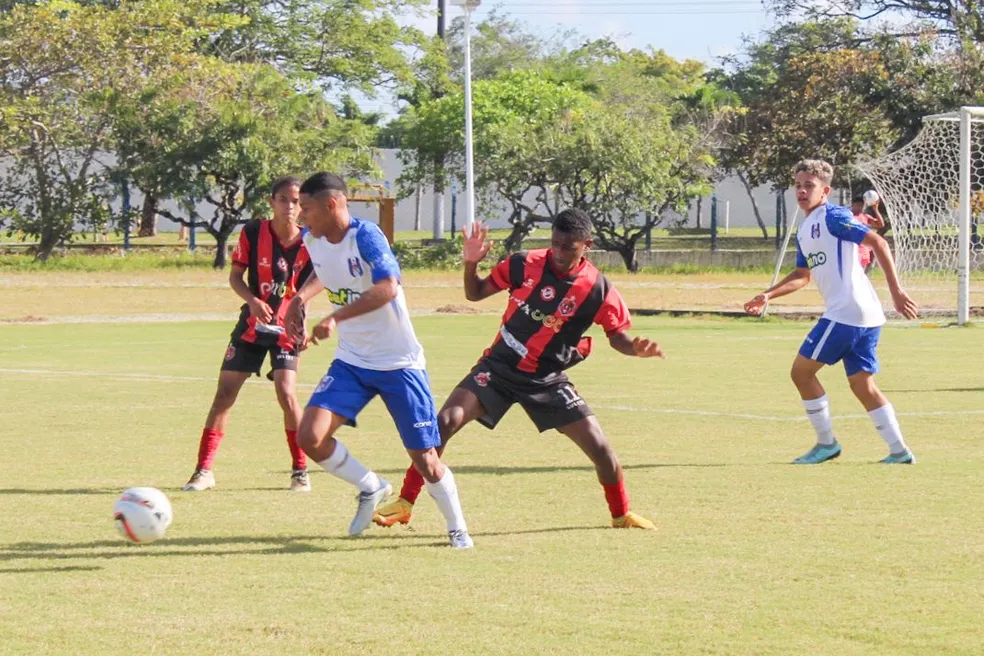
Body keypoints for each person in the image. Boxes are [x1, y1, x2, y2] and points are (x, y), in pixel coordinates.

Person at [374, 209, 663, 532]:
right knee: (444, 421)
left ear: (587, 245)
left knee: (601, 448)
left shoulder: (598, 289)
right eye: (555, 243)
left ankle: (621, 515)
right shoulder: (523, 263)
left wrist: (634, 349)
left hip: (547, 379)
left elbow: (618, 337)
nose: (559, 252)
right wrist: (470, 262)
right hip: (497, 369)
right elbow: (475, 293)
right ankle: (405, 502)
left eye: (569, 247)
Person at [284, 172, 473, 547]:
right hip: (352, 362)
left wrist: (335, 317)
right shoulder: (313, 239)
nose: (299, 217)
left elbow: (388, 287)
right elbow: (325, 274)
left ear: (331, 205)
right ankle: (371, 486)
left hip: (399, 363)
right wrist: (300, 299)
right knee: (310, 436)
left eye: (305, 208)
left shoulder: (366, 236)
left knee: (426, 459)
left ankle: (457, 529)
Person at [744, 160, 919, 465]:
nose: (801, 190)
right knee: (863, 385)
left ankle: (827, 445)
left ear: (824, 191)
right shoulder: (805, 229)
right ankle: (899, 451)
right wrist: (768, 294)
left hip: (846, 313)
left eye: (808, 185)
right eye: (798, 185)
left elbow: (877, 240)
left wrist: (896, 290)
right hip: (864, 315)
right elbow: (802, 275)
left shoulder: (833, 216)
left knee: (801, 372)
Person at [182, 176, 314, 492]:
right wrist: (253, 301)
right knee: (224, 394)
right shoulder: (253, 233)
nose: (290, 207)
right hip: (251, 327)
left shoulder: (312, 241)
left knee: (287, 393)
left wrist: (302, 313)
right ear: (272, 202)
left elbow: (316, 282)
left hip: (286, 331)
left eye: (296, 201)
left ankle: (300, 471)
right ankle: (203, 471)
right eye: (284, 199)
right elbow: (236, 276)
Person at [850, 196, 885, 273]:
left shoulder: (865, 216)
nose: (860, 207)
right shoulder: (848, 216)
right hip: (852, 249)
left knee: (861, 275)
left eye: (862, 205)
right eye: (858, 205)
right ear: (853, 204)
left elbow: (880, 224)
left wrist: (875, 209)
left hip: (863, 250)